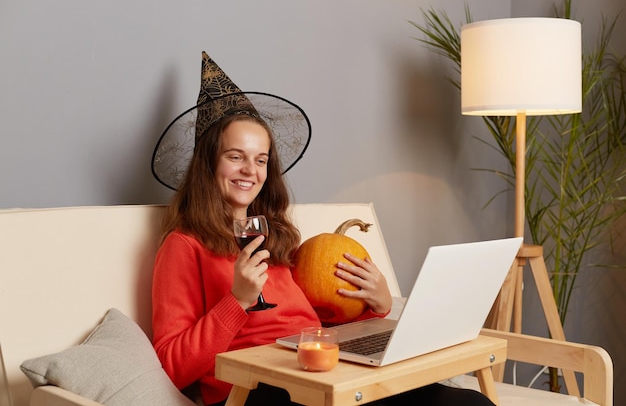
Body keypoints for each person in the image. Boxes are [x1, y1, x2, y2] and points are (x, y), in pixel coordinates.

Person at [151, 52, 495, 406]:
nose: (249, 170)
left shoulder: (276, 238)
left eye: (260, 160)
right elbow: (172, 367)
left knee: (467, 403)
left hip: (319, 374)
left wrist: (376, 304)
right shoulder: (183, 245)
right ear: (208, 162)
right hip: (257, 391)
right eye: (235, 156)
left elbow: (315, 322)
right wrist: (237, 300)